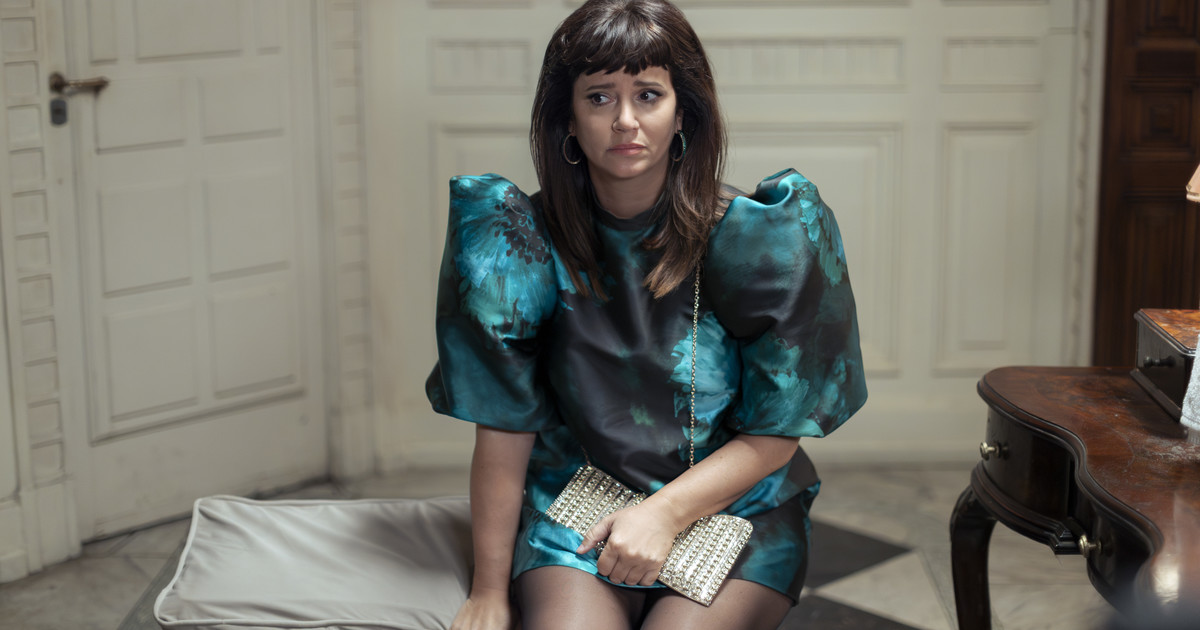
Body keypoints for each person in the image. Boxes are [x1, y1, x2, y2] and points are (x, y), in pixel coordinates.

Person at [425, 1, 867, 628]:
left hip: (736, 507)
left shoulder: (759, 238)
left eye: (648, 95)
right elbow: (503, 426)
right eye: (599, 97)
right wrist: (489, 591)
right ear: (567, 118)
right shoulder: (517, 242)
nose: (625, 120)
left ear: (683, 113)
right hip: (579, 502)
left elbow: (777, 431)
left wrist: (661, 514)